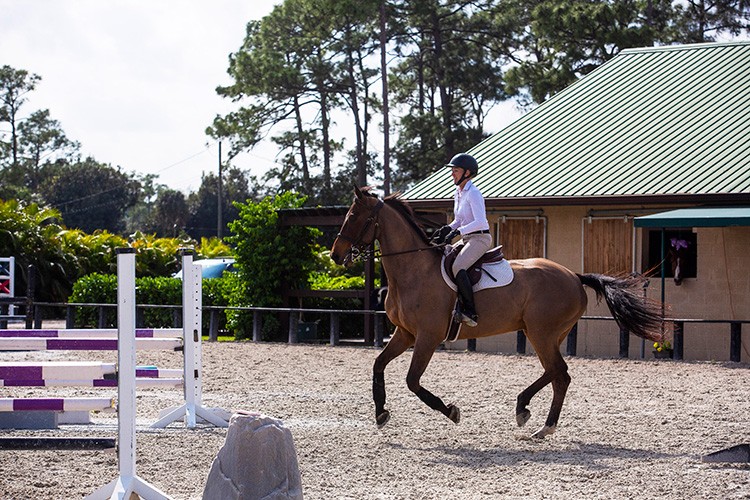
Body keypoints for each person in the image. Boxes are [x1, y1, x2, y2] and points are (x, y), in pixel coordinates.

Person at [430, 152, 492, 326]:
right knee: (444, 258)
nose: (452, 174)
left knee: (458, 266)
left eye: (455, 170)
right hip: (467, 237)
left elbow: (480, 221)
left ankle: (471, 312)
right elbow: (458, 219)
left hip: (480, 239)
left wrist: (458, 232)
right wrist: (448, 229)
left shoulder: (474, 193)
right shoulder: (458, 192)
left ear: (466, 173)